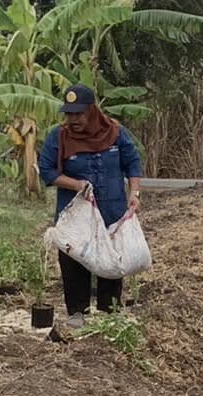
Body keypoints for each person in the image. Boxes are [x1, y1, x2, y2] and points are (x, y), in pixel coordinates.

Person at [38, 83, 142, 328]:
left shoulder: (115, 132)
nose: (73, 119)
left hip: (112, 210)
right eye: (69, 113)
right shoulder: (59, 136)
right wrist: (75, 184)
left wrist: (134, 193)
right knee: (73, 256)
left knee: (111, 259)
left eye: (79, 113)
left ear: (92, 111)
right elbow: (46, 171)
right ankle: (77, 312)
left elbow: (132, 162)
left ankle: (109, 310)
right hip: (75, 213)